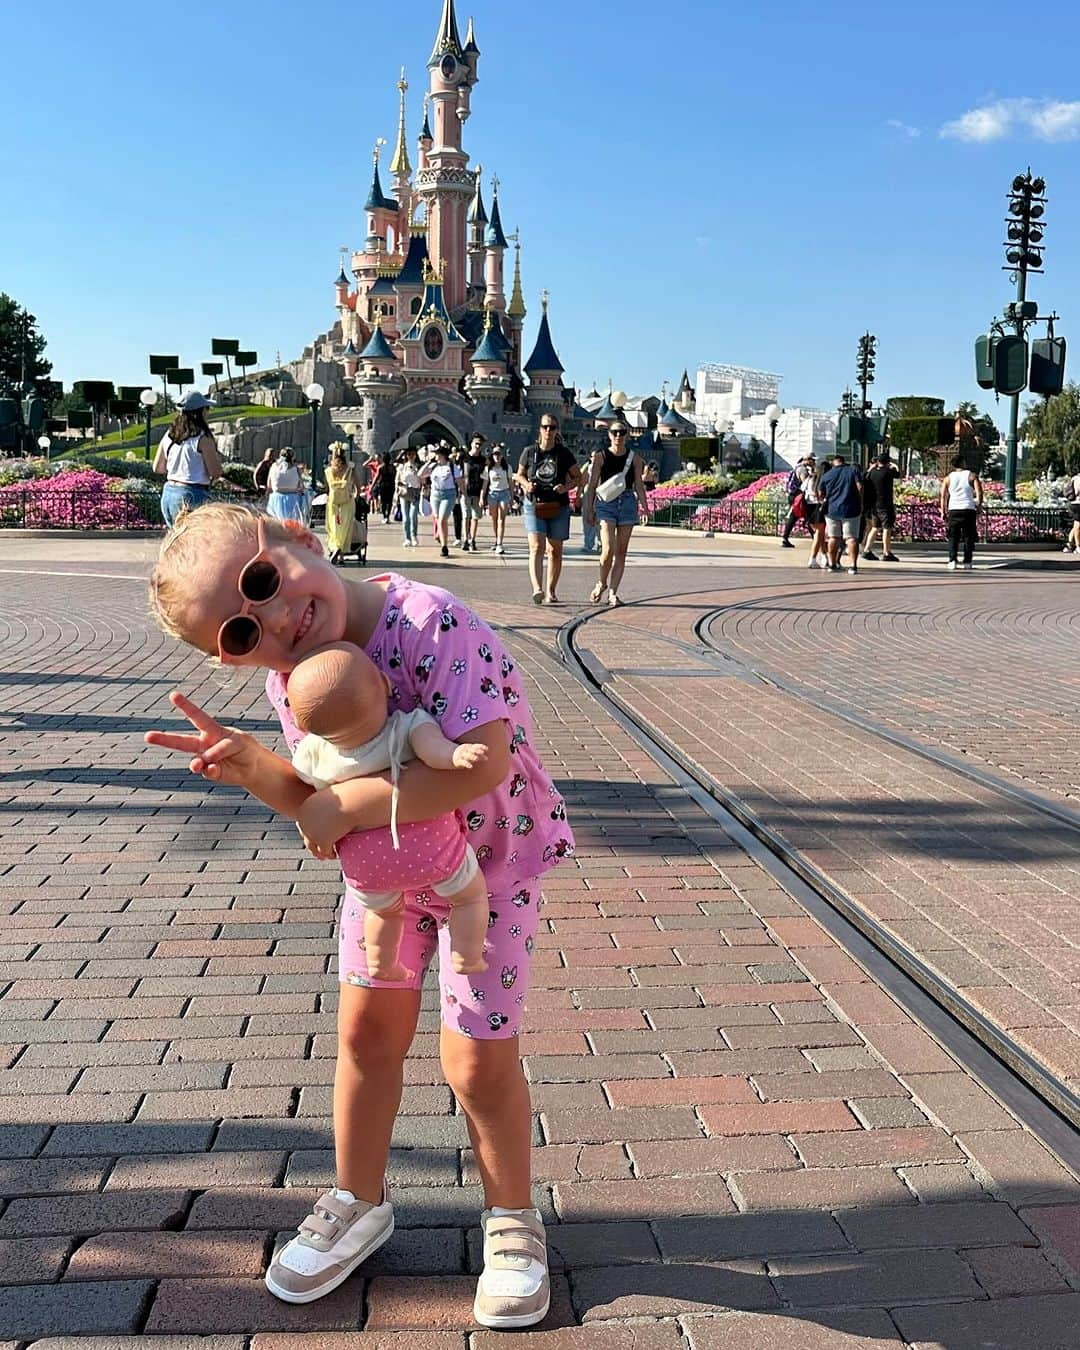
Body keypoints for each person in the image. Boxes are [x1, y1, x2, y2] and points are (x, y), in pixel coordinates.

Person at [146, 503, 574, 1329]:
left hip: (487, 871)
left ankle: (513, 1218)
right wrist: (258, 771)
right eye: (240, 634)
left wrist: (343, 809)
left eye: (261, 583)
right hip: (385, 883)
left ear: (300, 537)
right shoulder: (292, 679)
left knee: (477, 1058)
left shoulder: (433, 624)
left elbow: (475, 772)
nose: (273, 621)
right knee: (364, 1038)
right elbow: (316, 794)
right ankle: (358, 1199)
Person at [289, 642, 491, 977]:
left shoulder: (311, 751)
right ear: (384, 683)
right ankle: (466, 956)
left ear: (303, 724)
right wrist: (455, 755)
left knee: (383, 913)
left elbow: (301, 783)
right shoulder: (405, 725)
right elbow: (432, 750)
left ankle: (381, 964)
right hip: (430, 847)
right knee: (469, 897)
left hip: (366, 865)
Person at [515, 415, 581, 605]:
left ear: (557, 430)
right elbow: (518, 475)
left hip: (557, 506)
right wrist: (526, 484)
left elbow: (578, 477)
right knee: (536, 546)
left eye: (552, 427)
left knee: (555, 551)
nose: (548, 431)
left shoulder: (564, 454)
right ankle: (537, 588)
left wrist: (565, 488)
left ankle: (551, 590)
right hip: (534, 504)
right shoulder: (529, 452)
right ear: (540, 429)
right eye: (545, 427)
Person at [585, 421, 649, 607]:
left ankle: (613, 592)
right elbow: (592, 485)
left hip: (628, 502)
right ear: (609, 435)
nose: (618, 436)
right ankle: (601, 582)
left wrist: (645, 508)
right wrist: (590, 509)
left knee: (621, 552)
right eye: (615, 432)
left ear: (627, 435)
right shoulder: (600, 457)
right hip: (606, 504)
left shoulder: (635, 458)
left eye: (622, 432)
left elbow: (639, 484)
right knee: (607, 550)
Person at [153, 391, 223, 526]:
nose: (208, 412)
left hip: (168, 493)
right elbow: (216, 472)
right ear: (199, 412)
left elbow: (158, 468)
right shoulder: (203, 439)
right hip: (191, 495)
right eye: (206, 408)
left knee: (177, 541)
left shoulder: (170, 435)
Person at [819, 453, 864, 575]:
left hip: (832, 510)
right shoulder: (852, 471)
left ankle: (832, 564)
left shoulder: (827, 474)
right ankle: (853, 566)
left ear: (834, 463)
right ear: (843, 461)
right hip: (851, 509)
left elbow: (820, 493)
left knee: (833, 537)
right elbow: (860, 487)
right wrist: (860, 502)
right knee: (851, 538)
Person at [940, 455, 983, 571]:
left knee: (953, 536)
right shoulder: (972, 476)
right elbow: (979, 493)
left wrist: (943, 510)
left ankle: (952, 560)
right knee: (969, 536)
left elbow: (943, 496)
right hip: (968, 508)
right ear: (963, 463)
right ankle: (967, 561)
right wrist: (979, 506)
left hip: (953, 509)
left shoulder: (948, 478)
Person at [323, 444, 362, 566]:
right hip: (347, 502)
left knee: (333, 527)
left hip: (333, 503)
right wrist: (357, 495)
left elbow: (326, 488)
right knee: (345, 528)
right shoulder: (350, 469)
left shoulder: (328, 470)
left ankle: (335, 548)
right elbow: (358, 485)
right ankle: (341, 556)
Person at [420, 444, 458, 558]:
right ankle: (441, 539)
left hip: (448, 494)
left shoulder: (451, 466)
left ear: (442, 455)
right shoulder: (433, 466)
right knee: (437, 518)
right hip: (435, 495)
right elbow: (420, 474)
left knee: (442, 519)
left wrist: (463, 494)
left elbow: (460, 480)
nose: (435, 456)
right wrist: (428, 462)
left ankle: (444, 546)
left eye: (437, 454)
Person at [862, 452, 901, 562]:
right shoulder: (888, 472)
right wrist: (894, 465)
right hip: (885, 504)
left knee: (875, 528)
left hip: (875, 504)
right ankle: (886, 552)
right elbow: (898, 473)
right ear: (887, 462)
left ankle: (867, 550)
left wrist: (871, 468)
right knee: (886, 528)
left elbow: (865, 477)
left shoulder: (872, 472)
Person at [481, 444, 512, 554]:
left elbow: (510, 483)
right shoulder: (488, 468)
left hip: (504, 493)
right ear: (492, 455)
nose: (497, 456)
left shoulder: (507, 468)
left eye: (499, 454)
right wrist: (482, 498)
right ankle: (496, 539)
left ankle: (500, 543)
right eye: (495, 454)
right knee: (494, 519)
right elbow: (485, 484)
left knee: (501, 519)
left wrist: (512, 497)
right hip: (492, 494)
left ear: (502, 455)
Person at [266, 447, 307, 524]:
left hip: (276, 498)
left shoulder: (274, 466)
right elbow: (301, 486)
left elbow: (269, 484)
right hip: (292, 499)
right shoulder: (296, 469)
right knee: (291, 525)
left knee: (276, 524)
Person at [462, 434, 487, 552]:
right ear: (471, 444)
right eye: (476, 443)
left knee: (475, 517)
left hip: (477, 492)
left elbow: (485, 479)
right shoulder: (465, 458)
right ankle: (465, 539)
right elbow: (463, 476)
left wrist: (483, 496)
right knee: (466, 516)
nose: (477, 446)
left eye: (480, 444)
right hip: (466, 492)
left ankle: (472, 539)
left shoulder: (483, 460)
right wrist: (462, 491)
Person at [780, 456, 813, 547]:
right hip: (798, 496)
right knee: (808, 516)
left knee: (794, 516)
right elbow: (805, 483)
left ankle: (785, 538)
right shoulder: (802, 469)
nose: (813, 462)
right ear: (806, 460)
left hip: (793, 495)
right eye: (812, 460)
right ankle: (816, 538)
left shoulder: (797, 468)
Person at [801, 459, 828, 569]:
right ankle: (812, 558)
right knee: (818, 534)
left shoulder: (810, 478)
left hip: (808, 507)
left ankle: (825, 556)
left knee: (819, 534)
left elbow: (802, 489)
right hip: (818, 507)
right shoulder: (822, 480)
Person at [395, 448, 422, 548]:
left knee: (413, 515)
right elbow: (397, 480)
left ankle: (414, 536)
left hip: (415, 493)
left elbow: (422, 480)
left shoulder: (418, 467)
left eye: (413, 454)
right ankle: (407, 538)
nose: (411, 456)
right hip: (404, 493)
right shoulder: (401, 467)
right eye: (409, 454)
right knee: (406, 518)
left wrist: (417, 473)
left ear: (415, 455)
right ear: (406, 455)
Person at [373, 453, 396, 525]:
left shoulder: (380, 467)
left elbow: (376, 477)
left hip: (383, 485)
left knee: (383, 502)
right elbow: (395, 476)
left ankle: (384, 516)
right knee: (389, 502)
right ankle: (388, 516)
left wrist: (372, 485)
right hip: (391, 485)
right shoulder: (393, 467)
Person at [1064, 467, 1080, 554]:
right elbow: (1077, 491)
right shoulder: (1079, 479)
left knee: (1076, 525)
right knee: (1078, 525)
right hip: (1078, 504)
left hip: (1072, 503)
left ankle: (1069, 545)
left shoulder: (1074, 478)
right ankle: (1078, 546)